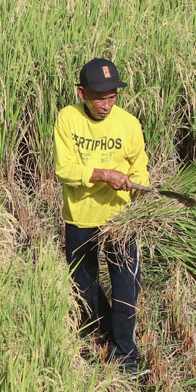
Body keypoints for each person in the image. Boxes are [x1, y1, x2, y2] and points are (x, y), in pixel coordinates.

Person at [53, 57, 150, 374]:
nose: (106, 104)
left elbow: (139, 169)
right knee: (83, 285)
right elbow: (64, 170)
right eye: (99, 97)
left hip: (120, 220)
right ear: (82, 93)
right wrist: (103, 174)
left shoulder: (128, 124)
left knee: (126, 286)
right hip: (81, 217)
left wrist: (140, 190)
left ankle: (126, 356)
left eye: (111, 97)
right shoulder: (68, 120)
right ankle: (101, 331)